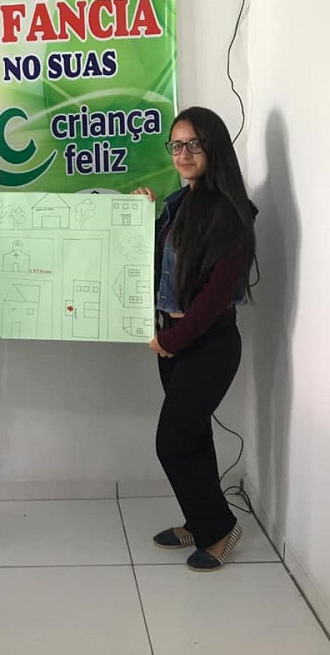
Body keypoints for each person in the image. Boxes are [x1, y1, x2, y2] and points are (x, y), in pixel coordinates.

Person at [134, 106, 256, 571]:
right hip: (175, 341)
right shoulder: (178, 203)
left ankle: (220, 528)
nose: (183, 154)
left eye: (194, 145)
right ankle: (199, 519)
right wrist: (140, 216)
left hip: (207, 343)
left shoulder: (230, 213)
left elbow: (216, 295)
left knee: (173, 441)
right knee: (194, 436)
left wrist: (175, 339)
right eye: (177, 144)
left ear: (213, 148)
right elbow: (155, 265)